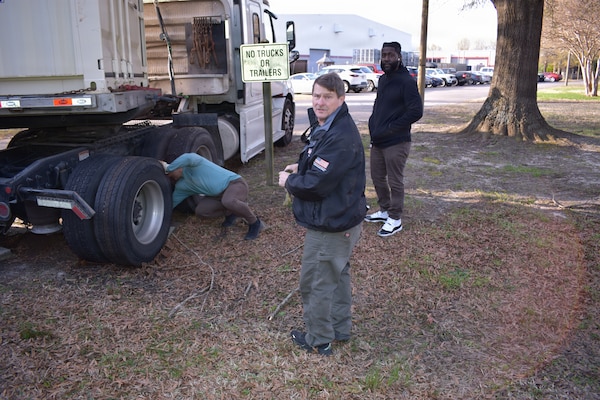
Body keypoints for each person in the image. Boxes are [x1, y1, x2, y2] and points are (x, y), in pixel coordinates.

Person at [278, 73, 366, 356]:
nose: (320, 102)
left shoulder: (340, 135)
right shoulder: (332, 124)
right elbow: (323, 163)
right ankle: (339, 329)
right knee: (337, 276)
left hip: (332, 224)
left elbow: (318, 185)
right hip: (343, 219)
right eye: (316, 96)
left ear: (341, 98)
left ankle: (319, 339)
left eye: (327, 96)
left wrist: (289, 182)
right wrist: (299, 166)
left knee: (316, 282)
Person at [364, 41, 423, 237]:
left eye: (390, 55)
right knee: (377, 177)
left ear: (399, 57)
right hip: (378, 140)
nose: (386, 59)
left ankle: (395, 218)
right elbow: (379, 106)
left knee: (395, 181)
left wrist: (391, 128)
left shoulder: (406, 81)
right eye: (384, 55)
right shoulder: (383, 80)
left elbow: (416, 111)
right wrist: (373, 125)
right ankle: (384, 210)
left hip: (397, 141)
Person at [163, 153, 265, 240]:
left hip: (235, 184)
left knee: (228, 201)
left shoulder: (194, 164)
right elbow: (172, 202)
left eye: (171, 174)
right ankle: (231, 212)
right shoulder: (182, 186)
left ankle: (255, 222)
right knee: (201, 211)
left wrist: (168, 168)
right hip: (217, 196)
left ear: (178, 165)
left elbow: (188, 157)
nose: (171, 177)